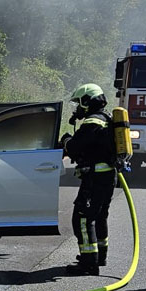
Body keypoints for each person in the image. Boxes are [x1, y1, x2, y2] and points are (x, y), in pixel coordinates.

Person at [60, 84, 116, 276]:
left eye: (79, 103)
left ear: (87, 101)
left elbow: (75, 148)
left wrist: (66, 140)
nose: (78, 108)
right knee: (100, 216)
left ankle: (89, 263)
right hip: (108, 176)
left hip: (95, 178)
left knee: (83, 218)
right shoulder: (107, 118)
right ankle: (100, 256)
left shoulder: (92, 122)